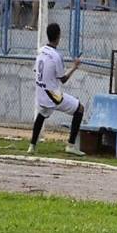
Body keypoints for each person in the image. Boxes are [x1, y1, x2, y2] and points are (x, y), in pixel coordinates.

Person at [27, 22, 85, 155]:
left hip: (40, 91)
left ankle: (32, 145)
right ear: (59, 36)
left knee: (42, 114)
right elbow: (63, 79)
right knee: (80, 109)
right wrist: (75, 67)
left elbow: (37, 70)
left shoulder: (41, 51)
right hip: (52, 95)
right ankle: (71, 145)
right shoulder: (56, 56)